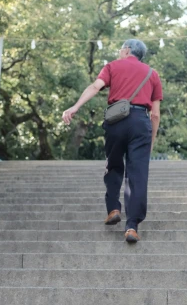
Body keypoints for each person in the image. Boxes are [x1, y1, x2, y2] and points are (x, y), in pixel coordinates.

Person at [62, 39, 163, 243]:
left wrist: (75, 107)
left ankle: (113, 209)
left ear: (127, 50)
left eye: (120, 49)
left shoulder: (112, 66)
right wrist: (151, 139)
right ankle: (132, 227)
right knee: (137, 175)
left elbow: (95, 87)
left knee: (114, 165)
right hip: (140, 123)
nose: (119, 52)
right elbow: (155, 115)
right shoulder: (152, 74)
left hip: (116, 120)